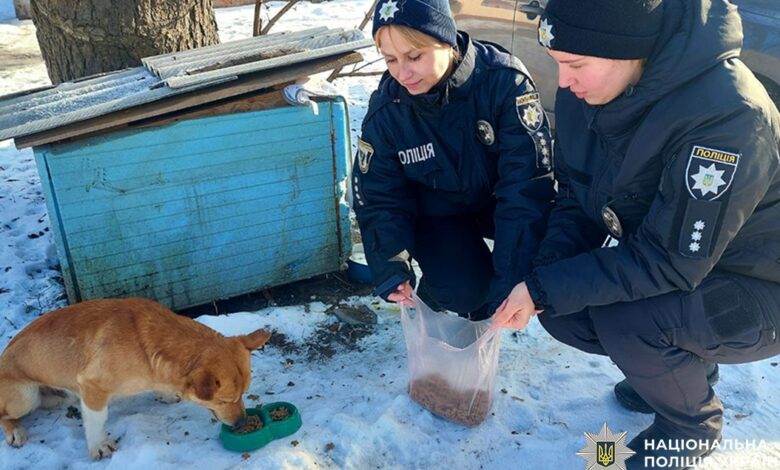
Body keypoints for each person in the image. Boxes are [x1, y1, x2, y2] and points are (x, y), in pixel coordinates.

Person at [491, 0, 780, 468]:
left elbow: (669, 261)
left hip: (759, 283)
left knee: (630, 321)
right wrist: (543, 278)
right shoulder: (589, 92)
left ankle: (691, 426)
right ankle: (681, 370)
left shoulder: (728, 116)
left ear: (628, 50)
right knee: (562, 309)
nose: (563, 81)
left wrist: (545, 285)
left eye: (576, 65)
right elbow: (576, 200)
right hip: (688, 268)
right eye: (558, 64)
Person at [352, 0, 555, 319]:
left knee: (541, 259)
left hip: (497, 203)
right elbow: (378, 197)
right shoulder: (387, 111)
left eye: (414, 56)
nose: (402, 73)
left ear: (445, 40)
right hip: (438, 215)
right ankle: (441, 290)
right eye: (390, 59)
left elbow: (526, 185)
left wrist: (510, 282)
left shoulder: (504, 83)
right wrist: (391, 267)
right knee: (466, 292)